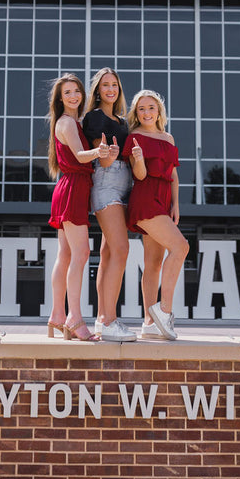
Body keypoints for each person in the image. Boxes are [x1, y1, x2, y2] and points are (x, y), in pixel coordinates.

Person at [46, 73, 109, 341]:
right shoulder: (67, 123)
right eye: (67, 92)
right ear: (60, 99)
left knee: (66, 255)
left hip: (70, 187)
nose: (73, 96)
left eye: (76, 91)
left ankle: (57, 315)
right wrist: (99, 151)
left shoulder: (71, 122)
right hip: (73, 188)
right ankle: (74, 317)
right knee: (81, 253)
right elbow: (80, 155)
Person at [123, 90, 189, 341]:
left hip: (164, 202)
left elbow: (173, 174)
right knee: (181, 247)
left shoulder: (168, 138)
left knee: (152, 263)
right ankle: (164, 311)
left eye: (151, 107)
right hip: (145, 199)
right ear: (136, 113)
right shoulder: (135, 137)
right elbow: (139, 176)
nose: (147, 112)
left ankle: (149, 323)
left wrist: (176, 205)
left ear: (159, 111)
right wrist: (138, 159)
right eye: (141, 108)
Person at [82, 67, 137, 342]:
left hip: (125, 185)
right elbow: (101, 158)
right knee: (121, 249)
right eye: (105, 85)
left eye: (114, 84)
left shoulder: (124, 122)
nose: (111, 89)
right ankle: (111, 320)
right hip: (107, 183)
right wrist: (108, 154)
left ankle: (103, 319)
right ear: (98, 90)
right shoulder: (94, 117)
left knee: (107, 254)